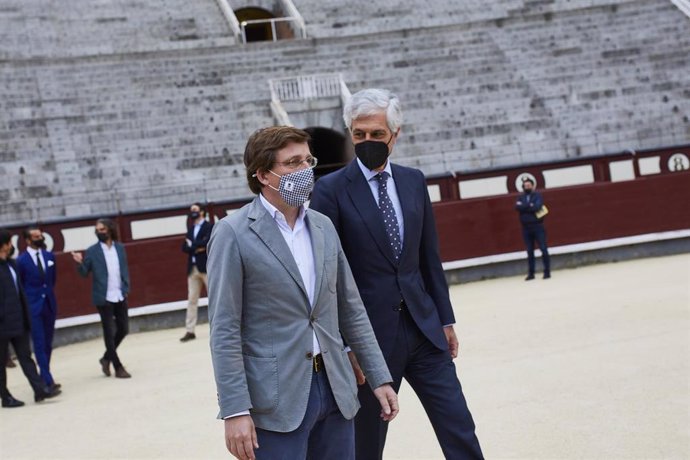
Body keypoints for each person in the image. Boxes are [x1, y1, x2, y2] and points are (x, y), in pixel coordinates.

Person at [310, 88, 483, 459]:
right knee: (367, 444)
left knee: (459, 427)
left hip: (424, 330)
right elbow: (328, 278)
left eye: (376, 134)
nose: (367, 141)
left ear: (396, 133)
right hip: (368, 341)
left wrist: (446, 319)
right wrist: (347, 345)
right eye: (359, 135)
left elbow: (428, 258)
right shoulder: (329, 190)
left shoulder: (413, 180)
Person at [208, 126, 399, 460]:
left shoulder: (323, 226)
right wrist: (235, 409)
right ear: (264, 175)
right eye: (292, 163)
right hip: (276, 397)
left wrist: (379, 376)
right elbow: (224, 329)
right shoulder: (232, 233)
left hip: (335, 387)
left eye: (307, 160)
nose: (304, 170)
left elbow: (350, 308)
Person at [0, 229, 61, 408]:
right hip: (2, 323)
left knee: (26, 357)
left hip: (19, 320)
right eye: (9, 242)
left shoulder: (12, 264)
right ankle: (5, 396)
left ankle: (39, 389)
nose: (11, 246)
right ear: (3, 245)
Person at [71, 218, 132, 378]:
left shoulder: (120, 248)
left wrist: (126, 287)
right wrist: (79, 262)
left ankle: (106, 358)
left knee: (124, 329)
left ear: (110, 230)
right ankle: (117, 366)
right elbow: (85, 273)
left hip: (119, 294)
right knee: (109, 331)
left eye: (102, 229)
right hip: (103, 296)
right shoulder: (92, 251)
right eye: (97, 230)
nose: (99, 232)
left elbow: (123, 269)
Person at [17, 226, 60, 390]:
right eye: (35, 236)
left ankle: (45, 375)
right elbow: (21, 284)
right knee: (39, 343)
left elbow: (52, 280)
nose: (39, 238)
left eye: (40, 235)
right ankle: (47, 380)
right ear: (28, 240)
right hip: (32, 307)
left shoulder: (49, 256)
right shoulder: (21, 261)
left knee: (48, 343)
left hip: (49, 304)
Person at [180, 203, 213, 342]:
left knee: (214, 299)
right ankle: (190, 330)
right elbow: (184, 248)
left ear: (202, 212)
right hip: (193, 268)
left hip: (206, 267)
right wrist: (197, 247)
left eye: (195, 210)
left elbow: (206, 243)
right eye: (191, 210)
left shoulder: (209, 226)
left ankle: (217, 328)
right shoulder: (191, 228)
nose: (192, 212)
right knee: (192, 300)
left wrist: (194, 245)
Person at [515, 178, 551, 280]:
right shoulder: (520, 197)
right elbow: (517, 207)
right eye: (525, 185)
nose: (527, 187)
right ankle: (531, 273)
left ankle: (547, 272)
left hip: (537, 226)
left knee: (543, 249)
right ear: (523, 187)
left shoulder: (537, 195)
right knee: (529, 251)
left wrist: (524, 207)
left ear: (532, 186)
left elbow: (537, 207)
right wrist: (530, 205)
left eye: (529, 185)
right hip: (526, 227)